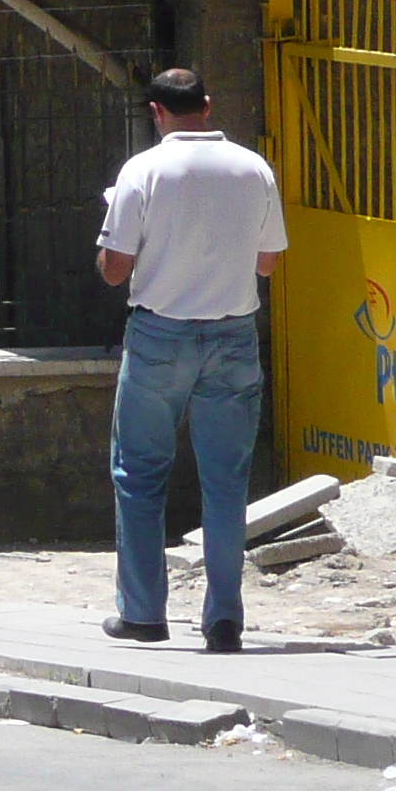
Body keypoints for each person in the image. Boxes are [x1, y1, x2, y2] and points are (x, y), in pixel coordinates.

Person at [97, 68, 286, 653]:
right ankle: (224, 618)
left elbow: (114, 270)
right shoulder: (254, 168)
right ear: (207, 105)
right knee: (226, 483)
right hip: (232, 338)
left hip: (159, 338)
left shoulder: (142, 171)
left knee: (140, 475)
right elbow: (269, 263)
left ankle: (144, 613)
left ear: (156, 112)